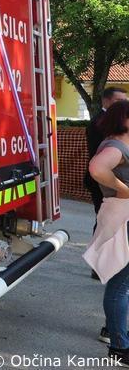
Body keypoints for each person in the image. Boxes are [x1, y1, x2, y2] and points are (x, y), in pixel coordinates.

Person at [86, 100, 129, 365]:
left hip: (121, 215)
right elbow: (96, 168)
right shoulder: (115, 146)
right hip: (123, 215)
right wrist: (124, 189)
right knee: (120, 285)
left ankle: (117, 333)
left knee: (122, 284)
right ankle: (119, 346)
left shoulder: (118, 143)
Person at [86, 87, 129, 279]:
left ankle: (104, 264)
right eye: (120, 100)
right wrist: (122, 188)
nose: (123, 102)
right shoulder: (102, 128)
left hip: (116, 195)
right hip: (112, 194)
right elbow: (97, 167)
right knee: (108, 231)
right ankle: (101, 265)